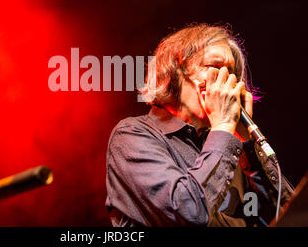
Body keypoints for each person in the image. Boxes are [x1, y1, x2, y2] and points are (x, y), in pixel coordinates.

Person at [105, 24, 293, 227]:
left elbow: (288, 216)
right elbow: (189, 213)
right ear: (174, 72)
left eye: (231, 73)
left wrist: (248, 147)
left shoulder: (233, 149)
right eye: (215, 67)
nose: (226, 81)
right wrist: (223, 125)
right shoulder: (132, 136)